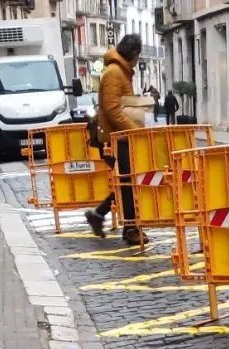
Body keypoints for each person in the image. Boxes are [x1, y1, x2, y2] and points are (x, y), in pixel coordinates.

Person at [84, 34, 143, 245]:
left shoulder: (120, 71)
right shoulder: (115, 73)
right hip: (114, 139)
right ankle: (129, 228)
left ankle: (98, 215)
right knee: (126, 182)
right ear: (134, 54)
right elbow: (112, 109)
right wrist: (134, 129)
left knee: (126, 182)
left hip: (118, 137)